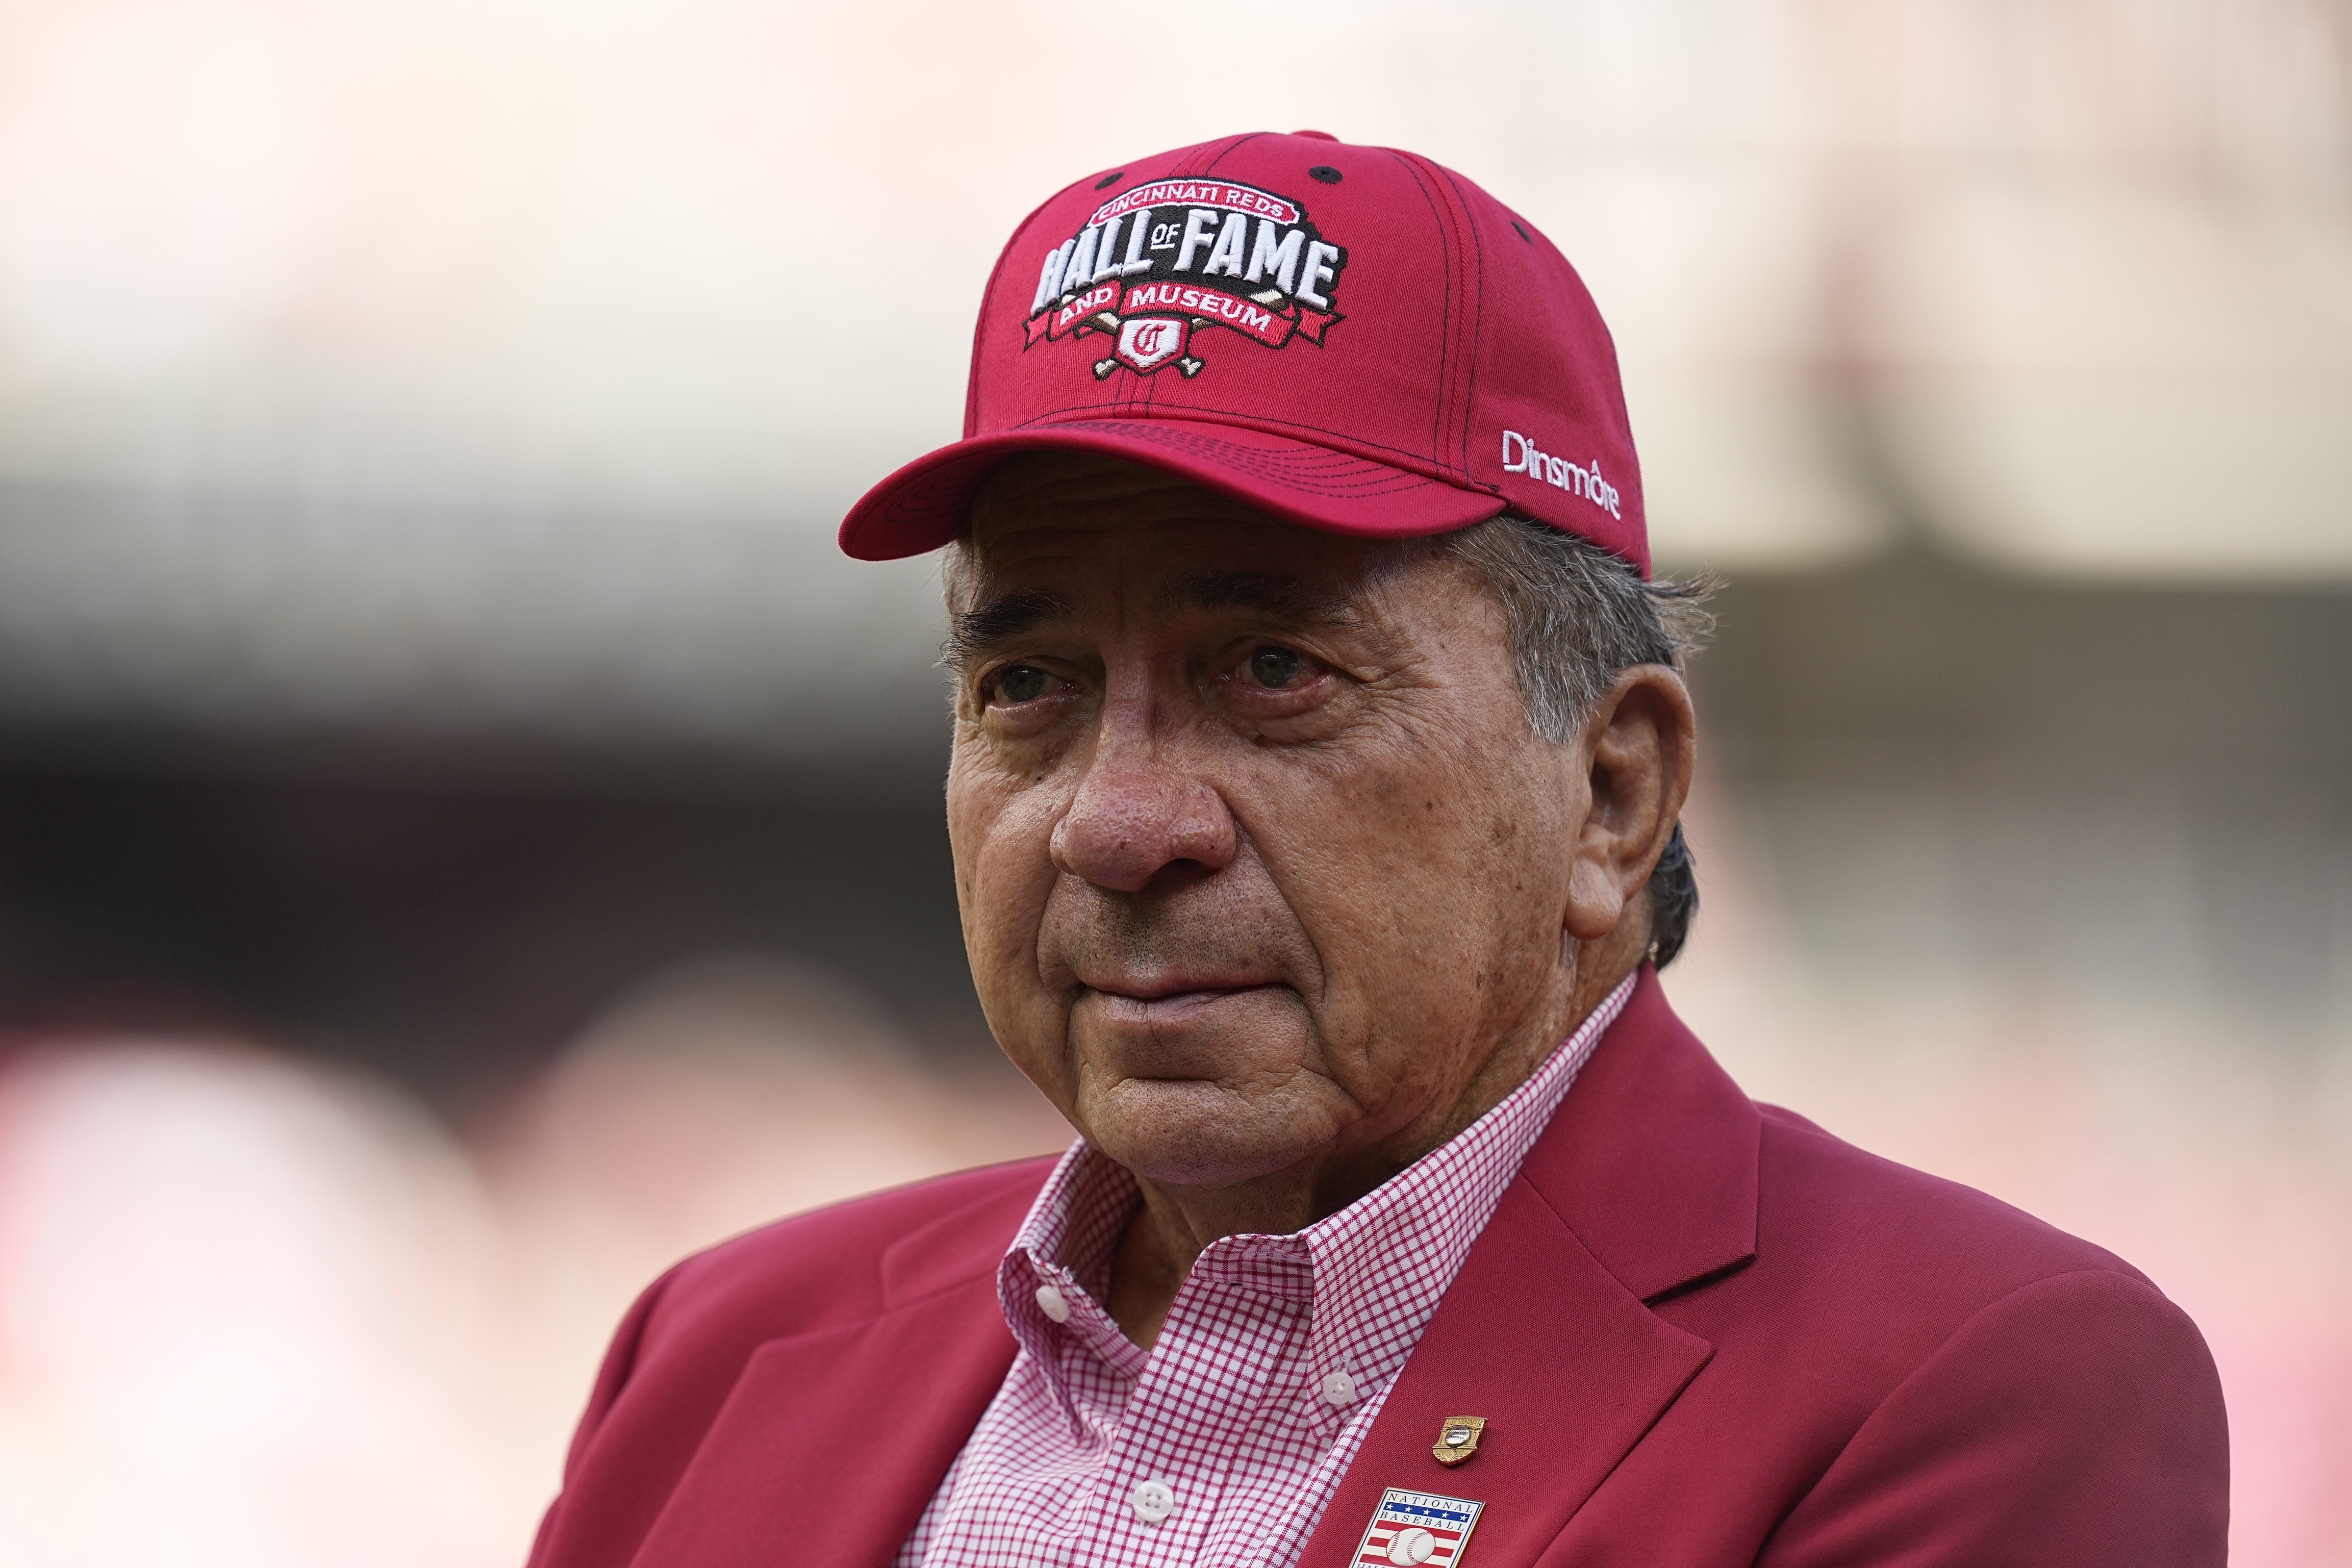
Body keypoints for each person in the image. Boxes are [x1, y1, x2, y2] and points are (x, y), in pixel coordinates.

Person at [525, 132, 2228, 1568]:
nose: (1119, 823)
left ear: (1613, 791)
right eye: (1026, 684)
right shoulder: (722, 1346)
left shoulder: (1963, 1380)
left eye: (1274, 673)